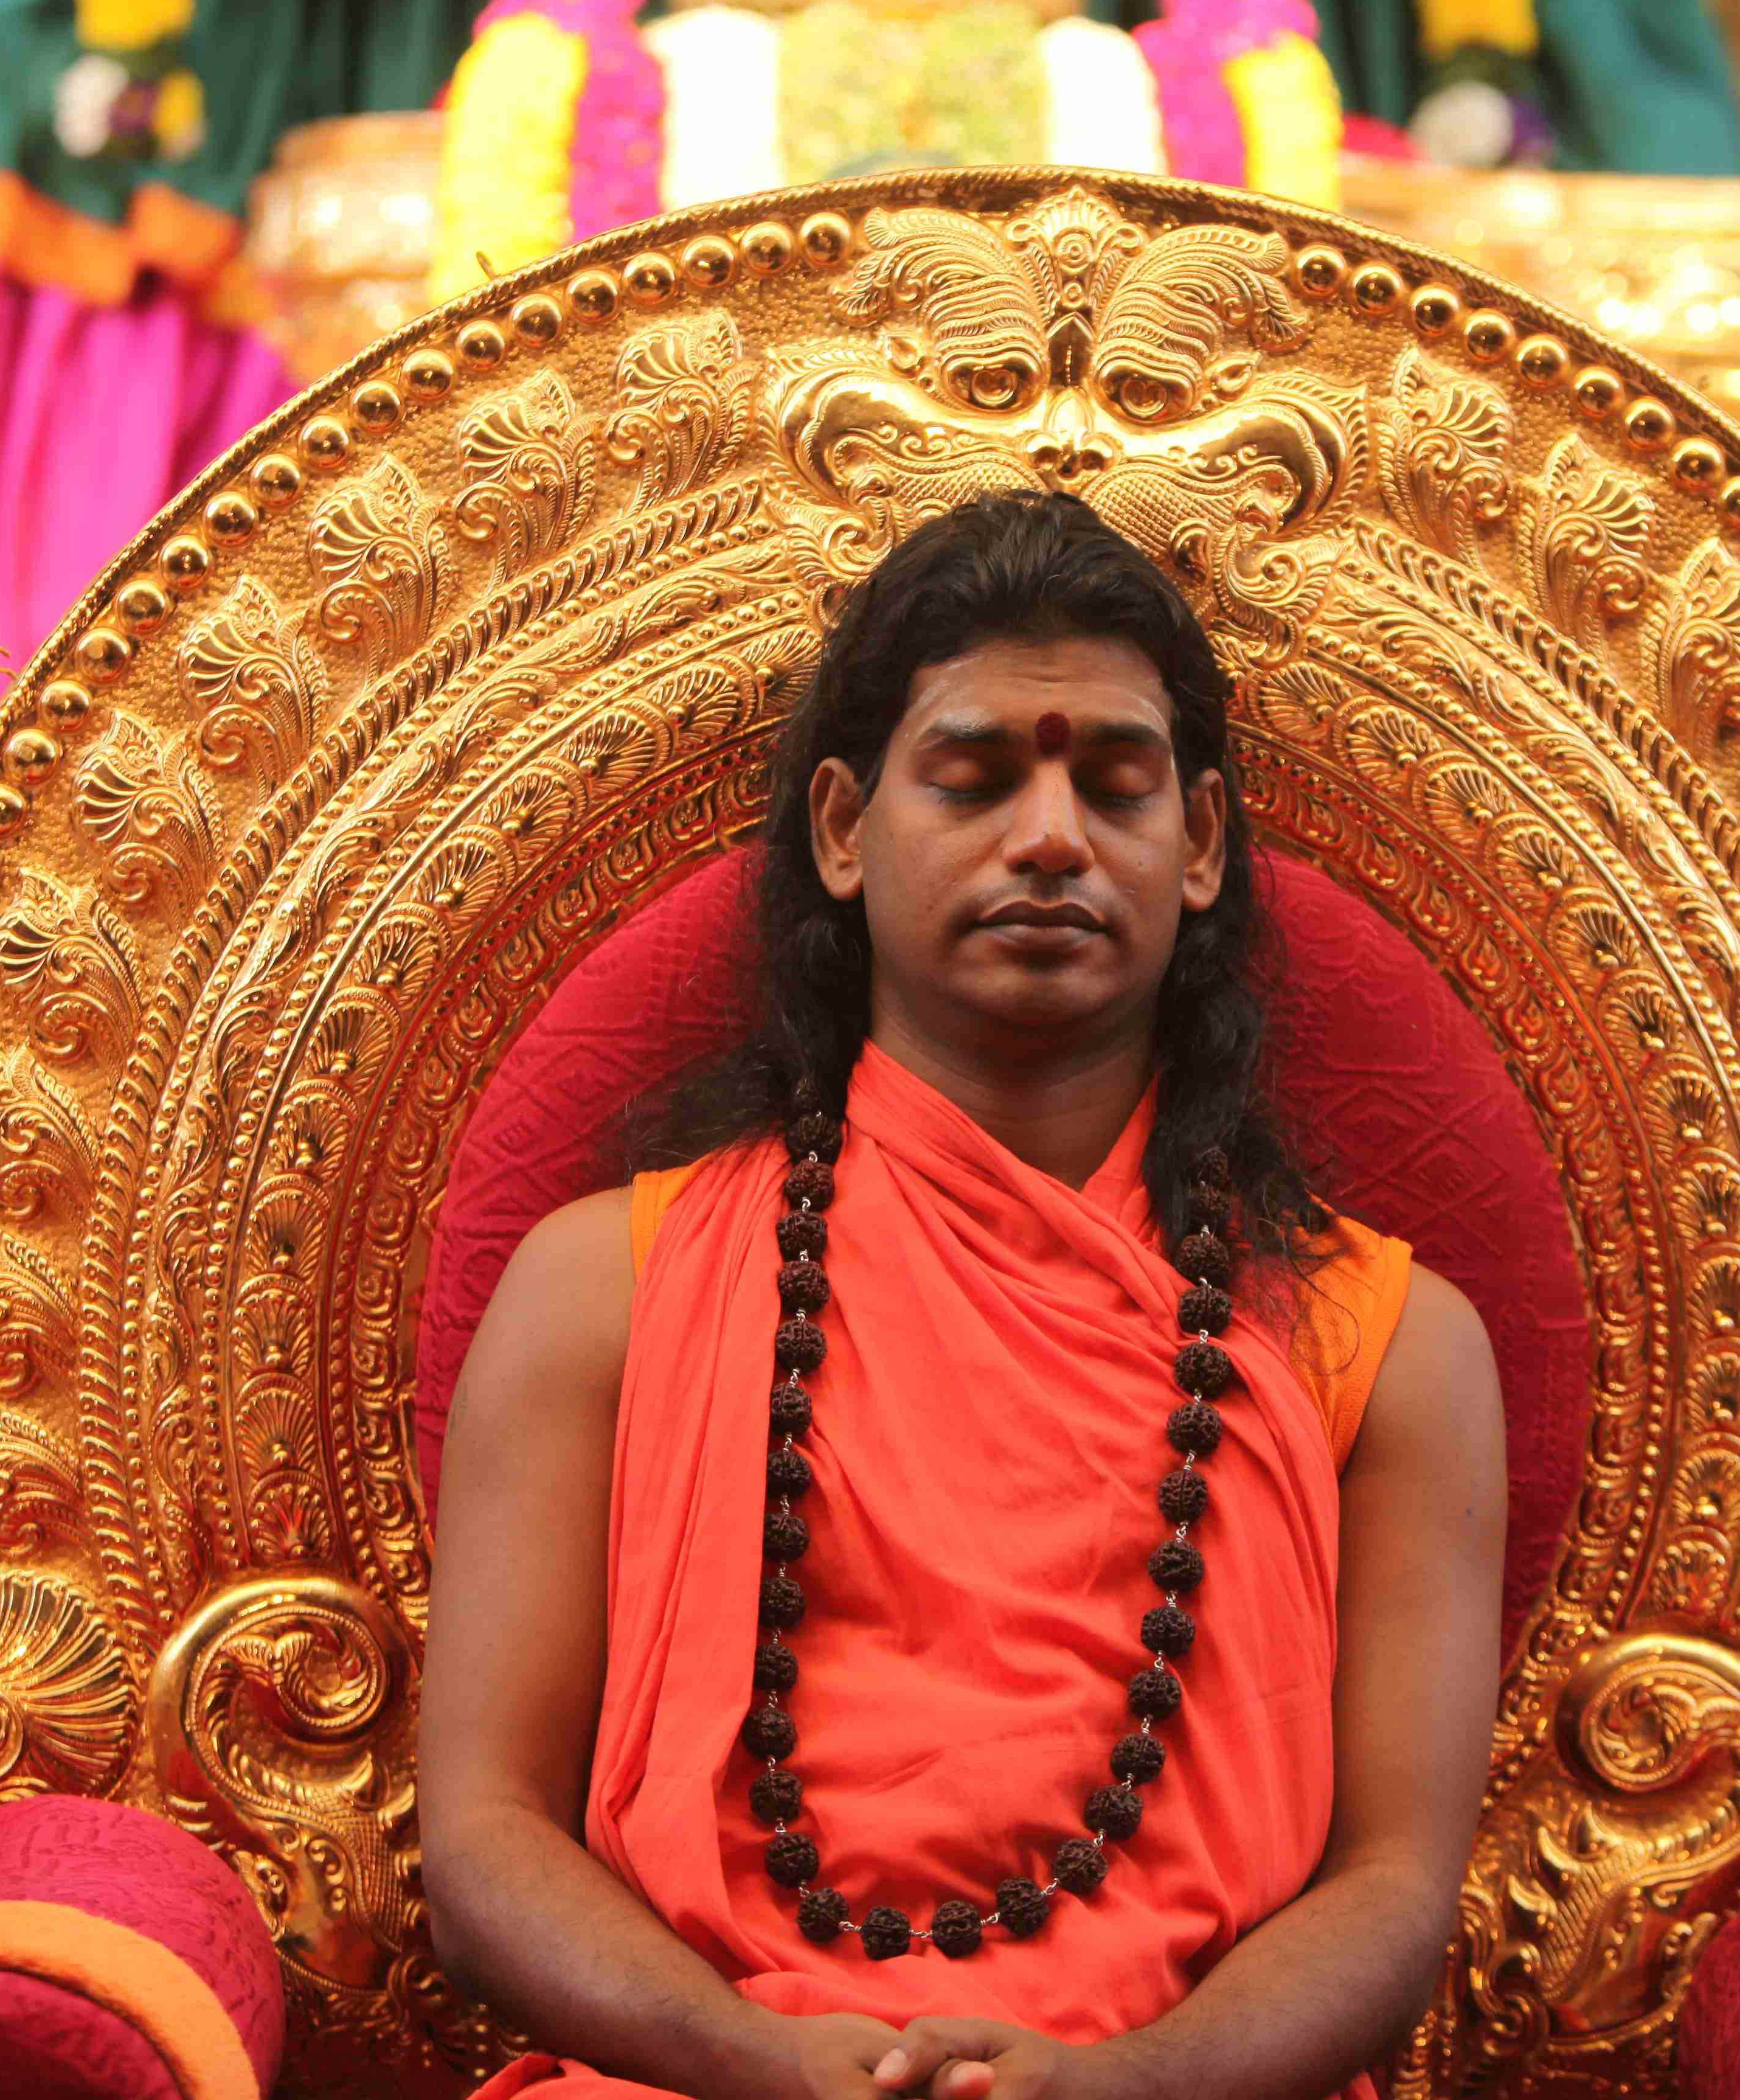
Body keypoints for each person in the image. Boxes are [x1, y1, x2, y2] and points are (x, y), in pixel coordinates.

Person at [421, 490, 1506, 2100]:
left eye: (1117, 785)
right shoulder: (608, 1294)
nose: (1052, 838)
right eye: (977, 776)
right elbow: (483, 1842)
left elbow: (1395, 1891)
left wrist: (1126, 2086)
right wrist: (759, 2063)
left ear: (1202, 845)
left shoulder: (1387, 1346)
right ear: (843, 830)